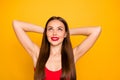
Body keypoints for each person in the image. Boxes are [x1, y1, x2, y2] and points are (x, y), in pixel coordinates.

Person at [12, 16, 101, 80]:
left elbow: (96, 30)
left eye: (59, 29)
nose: (54, 33)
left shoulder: (72, 55)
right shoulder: (37, 54)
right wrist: (45, 31)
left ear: (65, 33)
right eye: (50, 29)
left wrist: (67, 32)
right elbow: (16, 24)